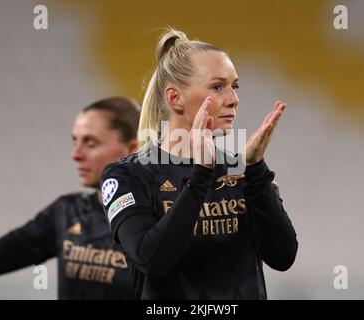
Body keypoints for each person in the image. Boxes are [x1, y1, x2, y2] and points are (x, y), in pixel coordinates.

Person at [101, 29, 298, 300]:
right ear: (174, 98)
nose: (233, 99)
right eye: (218, 87)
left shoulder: (243, 172)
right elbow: (152, 260)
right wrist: (201, 174)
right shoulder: (127, 175)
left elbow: (282, 256)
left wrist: (256, 168)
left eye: (234, 86)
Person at [0, 97, 140, 299]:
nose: (75, 154)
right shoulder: (66, 213)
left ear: (131, 150)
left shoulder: (163, 218)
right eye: (75, 141)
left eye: (90, 143)